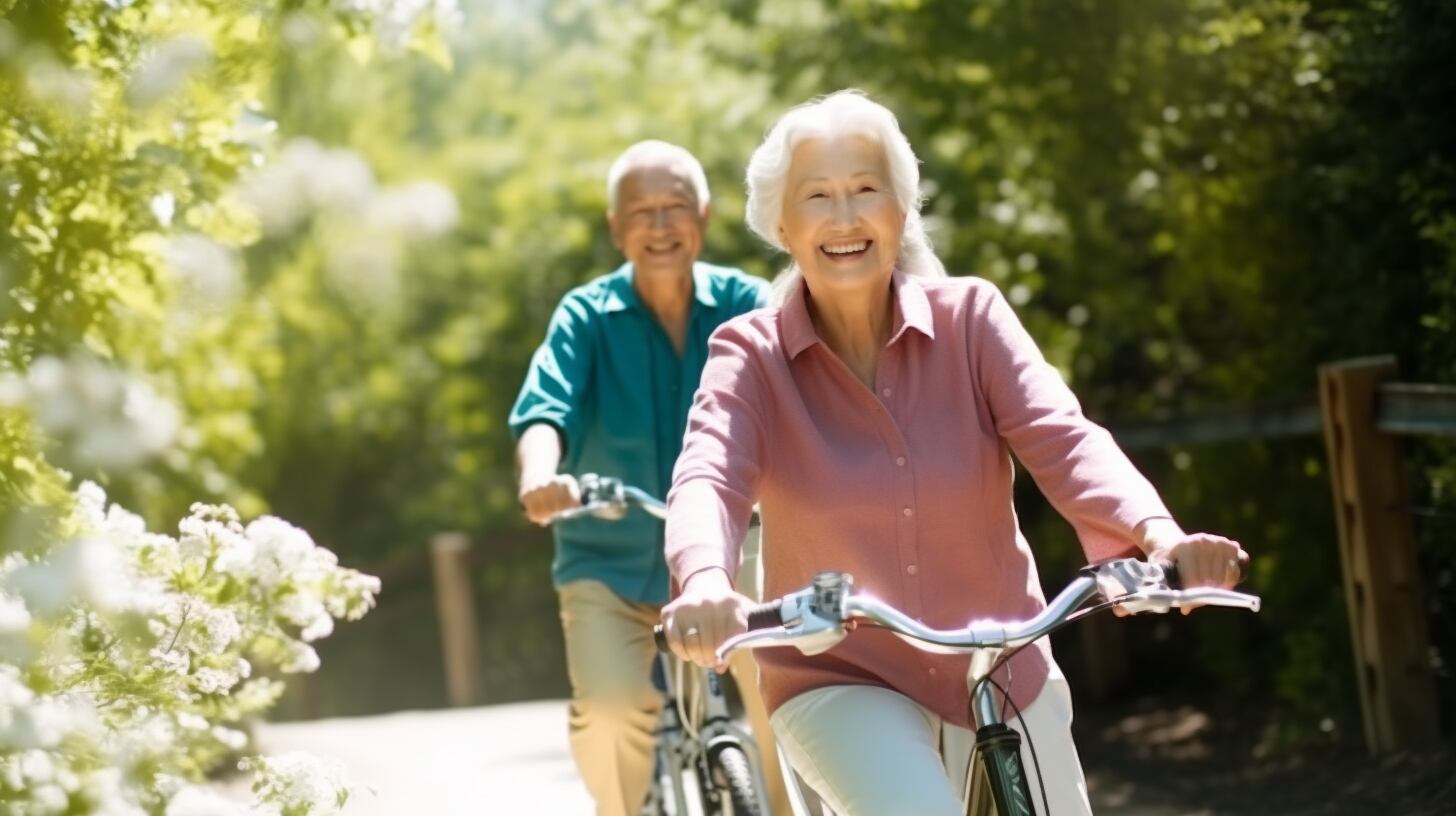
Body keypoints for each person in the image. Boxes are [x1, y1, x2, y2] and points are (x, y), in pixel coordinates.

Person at [659, 91, 1249, 816]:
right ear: (781, 224)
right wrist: (705, 581)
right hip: (838, 671)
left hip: (1000, 659)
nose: (844, 218)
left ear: (902, 210)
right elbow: (708, 474)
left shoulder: (972, 319)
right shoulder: (749, 355)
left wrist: (1161, 537)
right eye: (818, 196)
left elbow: (1062, 437)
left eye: (866, 190)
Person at [509, 140, 788, 816]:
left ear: (706, 216)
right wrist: (541, 478)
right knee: (609, 712)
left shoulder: (747, 301)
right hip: (607, 561)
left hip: (732, 554)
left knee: (789, 689)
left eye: (675, 208)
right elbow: (544, 412)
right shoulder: (585, 316)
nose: (660, 227)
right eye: (642, 212)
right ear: (616, 228)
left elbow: (804, 394)